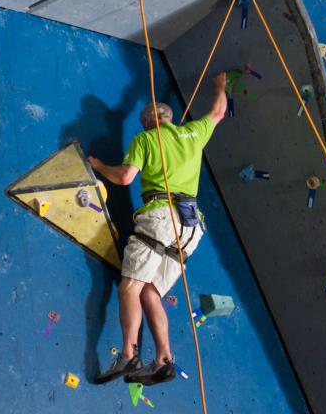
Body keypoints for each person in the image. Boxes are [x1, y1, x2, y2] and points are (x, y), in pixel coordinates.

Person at [87, 72, 227, 385]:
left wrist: (98, 167)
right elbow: (218, 111)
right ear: (170, 118)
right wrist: (220, 86)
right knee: (150, 292)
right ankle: (164, 358)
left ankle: (128, 354)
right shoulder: (192, 132)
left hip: (161, 216)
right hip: (191, 227)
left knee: (129, 288)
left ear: (148, 122)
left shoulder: (145, 139)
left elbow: (124, 177)